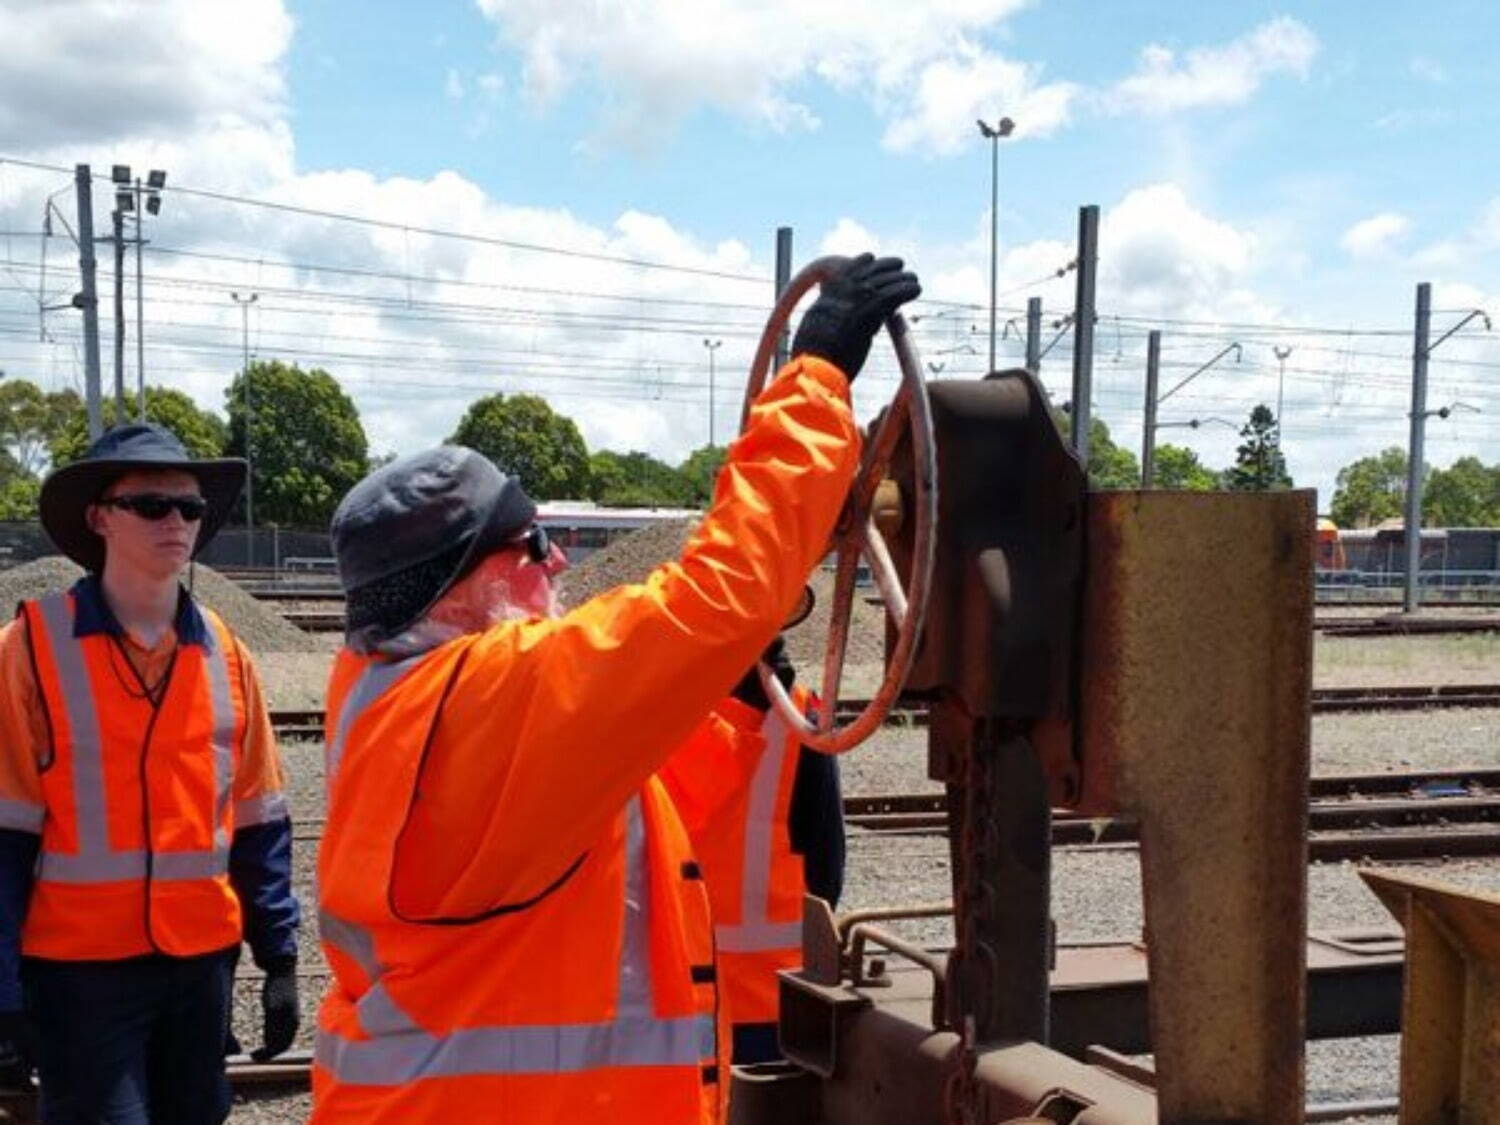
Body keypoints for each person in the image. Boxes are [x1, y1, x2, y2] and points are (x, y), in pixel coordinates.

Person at [313, 253, 920, 1122]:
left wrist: (742, 692)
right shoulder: (482, 696)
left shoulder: (387, 697)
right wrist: (816, 377)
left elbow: (615, 808)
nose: (556, 561)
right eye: (530, 546)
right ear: (461, 585)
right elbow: (719, 596)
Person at [0, 423, 301, 1124]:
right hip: (81, 976)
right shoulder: (30, 648)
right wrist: (3, 991)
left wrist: (279, 955)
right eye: (152, 505)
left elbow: (260, 817)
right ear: (100, 517)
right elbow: (4, 834)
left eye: (190, 508)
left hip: (200, 968)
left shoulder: (228, 654)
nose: (177, 522)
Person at [659, 639, 846, 1066]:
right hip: (770, 995)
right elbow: (827, 869)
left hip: (668, 996)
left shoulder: (655, 707)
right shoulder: (797, 716)